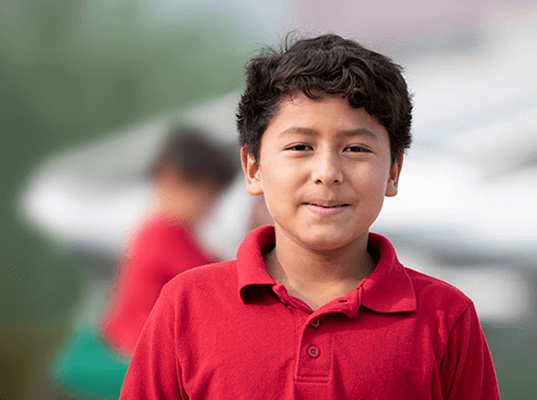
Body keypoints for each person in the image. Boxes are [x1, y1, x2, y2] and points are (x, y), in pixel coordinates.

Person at [119, 34, 500, 399]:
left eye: (355, 148)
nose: (327, 171)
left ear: (393, 172)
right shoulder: (186, 306)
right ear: (253, 169)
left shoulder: (447, 318)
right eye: (300, 146)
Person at [53, 126, 238, 399]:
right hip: (128, 353)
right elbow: (214, 279)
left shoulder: (155, 231)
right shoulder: (162, 234)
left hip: (128, 344)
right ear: (169, 179)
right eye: (207, 196)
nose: (211, 209)